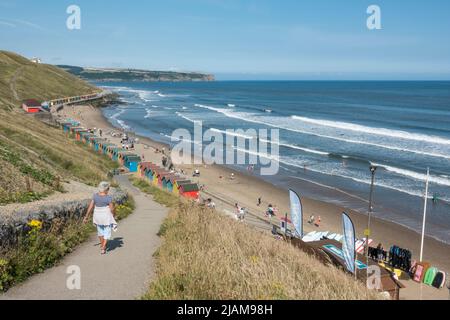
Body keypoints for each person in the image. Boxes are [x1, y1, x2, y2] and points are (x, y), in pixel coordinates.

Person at [83, 182, 117, 255]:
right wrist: (114, 215)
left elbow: (90, 207)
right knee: (107, 232)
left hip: (97, 216)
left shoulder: (95, 196)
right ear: (106, 189)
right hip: (106, 217)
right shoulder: (108, 198)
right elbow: (112, 209)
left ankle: (102, 246)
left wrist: (86, 216)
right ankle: (103, 247)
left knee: (100, 231)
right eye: (108, 189)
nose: (108, 190)